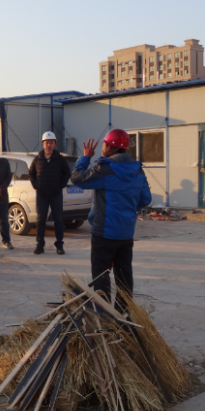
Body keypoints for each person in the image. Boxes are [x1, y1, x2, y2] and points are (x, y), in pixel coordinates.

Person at [70, 129, 152, 313]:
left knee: (101, 278)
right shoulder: (137, 169)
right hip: (126, 234)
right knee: (124, 277)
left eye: (104, 145)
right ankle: (123, 318)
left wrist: (85, 157)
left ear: (110, 147)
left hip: (104, 233)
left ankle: (105, 318)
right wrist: (128, 208)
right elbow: (146, 199)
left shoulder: (105, 169)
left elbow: (77, 178)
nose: (102, 148)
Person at [28, 131, 70, 255]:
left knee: (58, 220)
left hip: (56, 194)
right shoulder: (38, 159)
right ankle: (40, 245)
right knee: (41, 219)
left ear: (55, 144)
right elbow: (31, 173)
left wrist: (60, 185)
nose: (49, 145)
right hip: (42, 195)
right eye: (46, 143)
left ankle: (59, 245)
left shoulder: (60, 159)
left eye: (51, 143)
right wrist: (36, 185)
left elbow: (67, 173)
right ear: (43, 144)